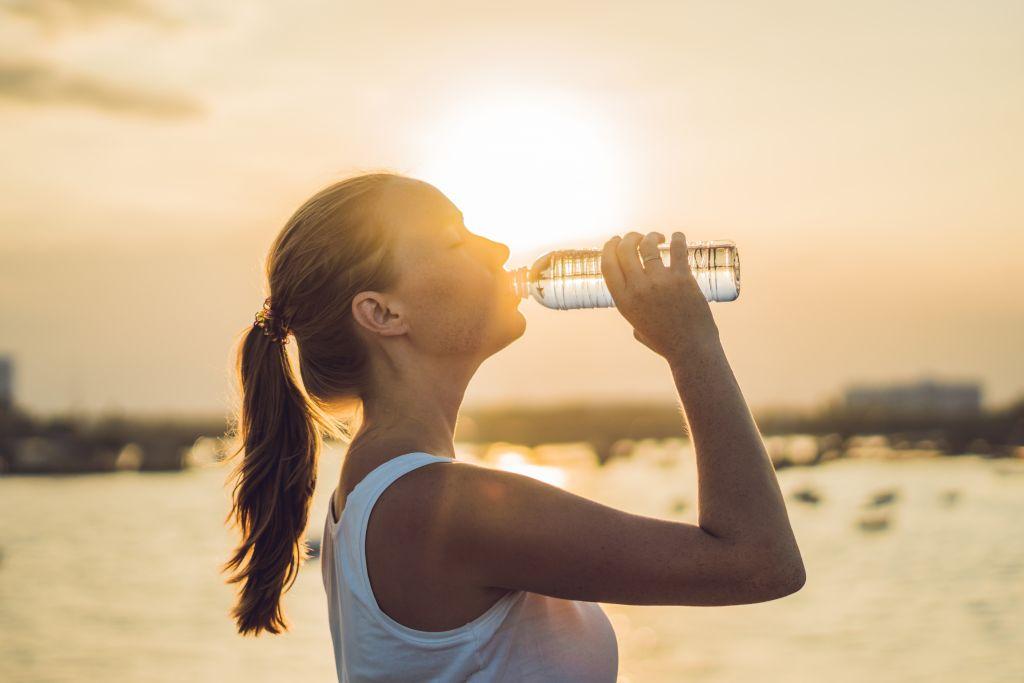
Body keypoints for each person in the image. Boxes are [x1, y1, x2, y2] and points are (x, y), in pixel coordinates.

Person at [222, 172, 806, 681]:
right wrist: (691, 347)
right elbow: (759, 562)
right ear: (383, 313)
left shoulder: (377, 492)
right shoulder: (433, 506)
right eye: (456, 239)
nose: (498, 248)